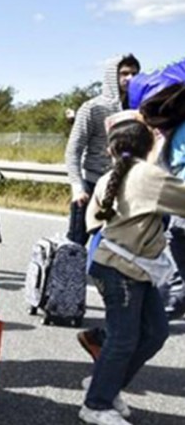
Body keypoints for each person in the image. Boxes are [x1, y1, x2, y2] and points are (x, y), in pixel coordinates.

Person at [78, 118, 184, 425]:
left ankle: (103, 384)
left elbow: (92, 221)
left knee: (156, 331)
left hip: (121, 264)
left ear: (111, 149)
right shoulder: (148, 176)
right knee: (124, 339)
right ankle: (96, 403)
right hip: (122, 268)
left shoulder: (109, 177)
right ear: (148, 146)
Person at [64, 55, 141, 246]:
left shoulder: (139, 109)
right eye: (124, 73)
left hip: (123, 187)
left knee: (115, 248)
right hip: (91, 185)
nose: (129, 78)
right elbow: (73, 150)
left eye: (134, 74)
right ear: (111, 75)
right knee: (75, 248)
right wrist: (77, 186)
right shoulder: (92, 108)